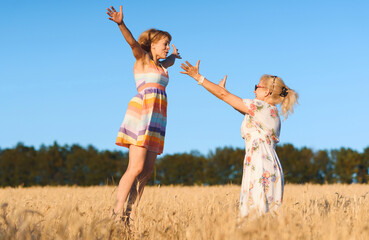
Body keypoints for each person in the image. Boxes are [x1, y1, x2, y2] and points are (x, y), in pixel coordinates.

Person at [180, 60, 298, 217]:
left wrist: (198, 77)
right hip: (266, 165)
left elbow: (225, 96)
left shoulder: (260, 108)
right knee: (266, 218)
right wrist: (221, 91)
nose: (255, 90)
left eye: (257, 87)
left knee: (254, 217)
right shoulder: (269, 112)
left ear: (267, 92)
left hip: (260, 166)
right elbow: (231, 101)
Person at [106, 5, 181, 223]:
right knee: (135, 167)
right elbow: (131, 43)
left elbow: (167, 62)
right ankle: (115, 215)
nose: (167, 47)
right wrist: (121, 24)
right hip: (141, 113)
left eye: (169, 44)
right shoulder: (142, 59)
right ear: (152, 44)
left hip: (157, 118)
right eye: (165, 44)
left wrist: (174, 57)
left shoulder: (161, 66)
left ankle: (128, 217)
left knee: (146, 172)